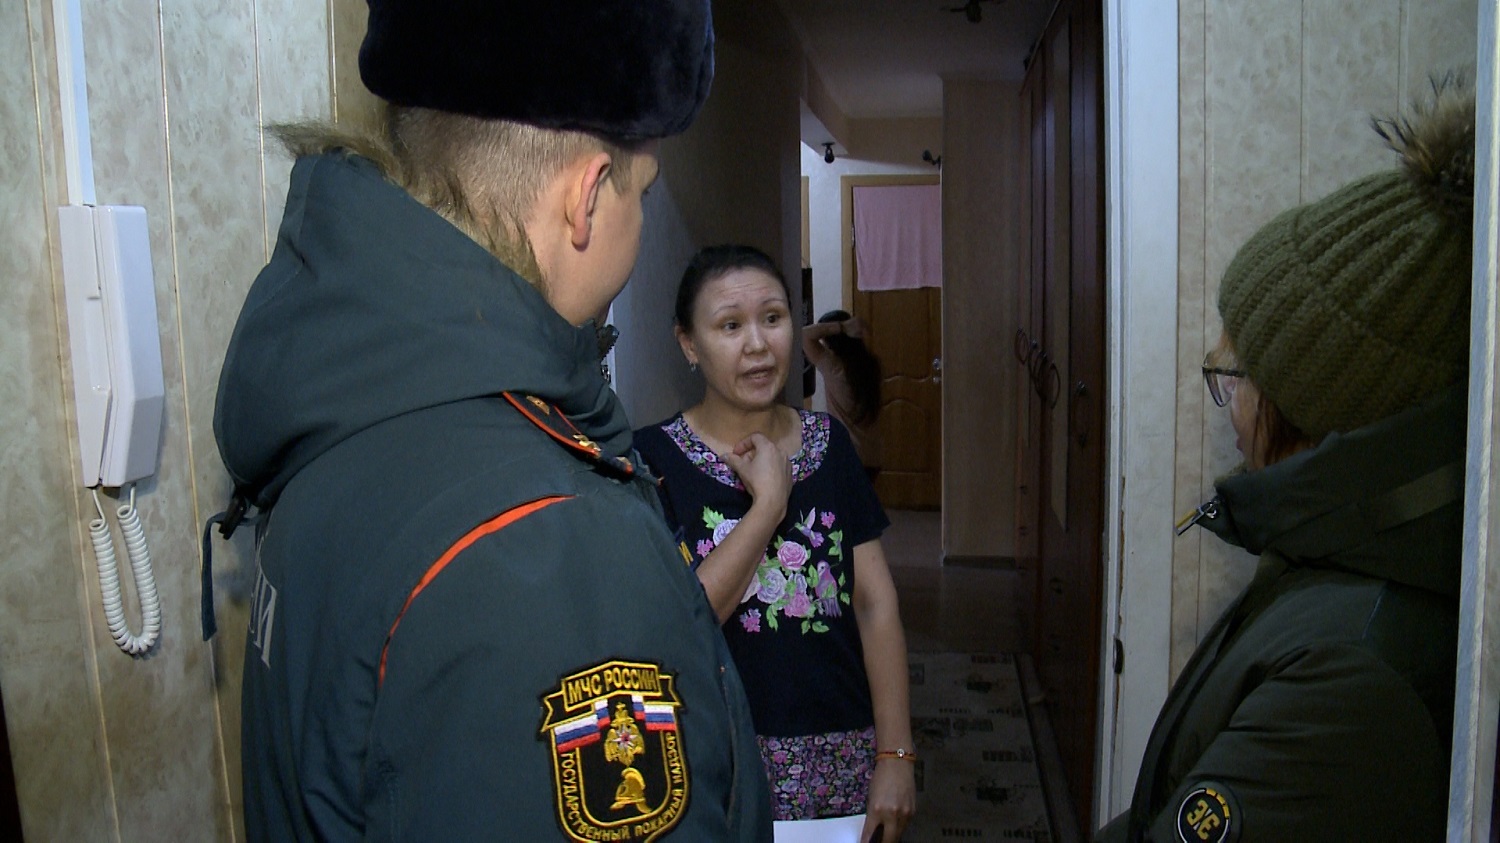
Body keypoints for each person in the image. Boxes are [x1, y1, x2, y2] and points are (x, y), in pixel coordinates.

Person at [210, 2, 775, 840]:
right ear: (587, 196)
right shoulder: (547, 547)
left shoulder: (344, 405)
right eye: (645, 191)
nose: (642, 214)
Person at [1097, 78, 1473, 841]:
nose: (1227, 403)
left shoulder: (1351, 681)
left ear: (1322, 402)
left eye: (1236, 374)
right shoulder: (1328, 558)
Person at [632, 245, 917, 841]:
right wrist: (768, 507)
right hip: (715, 771)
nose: (758, 345)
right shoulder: (650, 462)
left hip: (841, 765)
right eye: (730, 326)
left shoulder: (829, 445)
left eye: (773, 318)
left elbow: (875, 605)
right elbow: (683, 621)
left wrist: (895, 754)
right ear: (689, 344)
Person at [802, 310, 884, 482]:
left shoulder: (833, 366)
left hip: (848, 456)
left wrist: (842, 327)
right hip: (873, 456)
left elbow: (804, 335)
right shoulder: (871, 365)